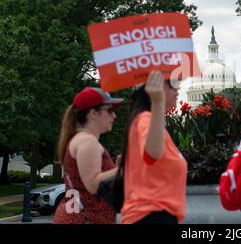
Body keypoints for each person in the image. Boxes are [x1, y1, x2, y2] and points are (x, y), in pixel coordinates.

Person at [120, 71, 187, 224]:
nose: (177, 88)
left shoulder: (149, 122)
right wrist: (157, 103)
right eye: (172, 83)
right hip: (150, 216)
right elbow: (152, 154)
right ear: (152, 85)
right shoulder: (146, 119)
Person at [53, 87, 123, 224]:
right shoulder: (88, 141)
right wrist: (125, 168)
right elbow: (93, 184)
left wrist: (117, 169)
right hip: (84, 219)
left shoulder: (81, 139)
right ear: (93, 113)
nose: (114, 116)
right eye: (109, 111)